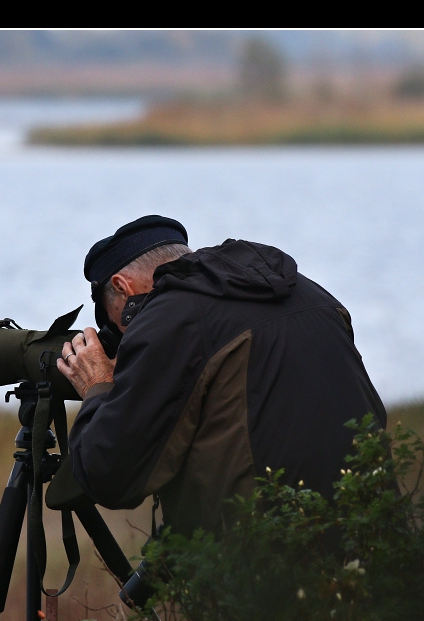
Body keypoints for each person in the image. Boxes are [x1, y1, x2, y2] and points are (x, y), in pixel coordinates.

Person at [55, 215, 386, 538]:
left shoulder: (171, 317)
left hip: (267, 568)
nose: (125, 339)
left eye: (118, 324)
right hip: (374, 537)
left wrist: (97, 386)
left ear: (122, 287)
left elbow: (110, 475)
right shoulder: (312, 293)